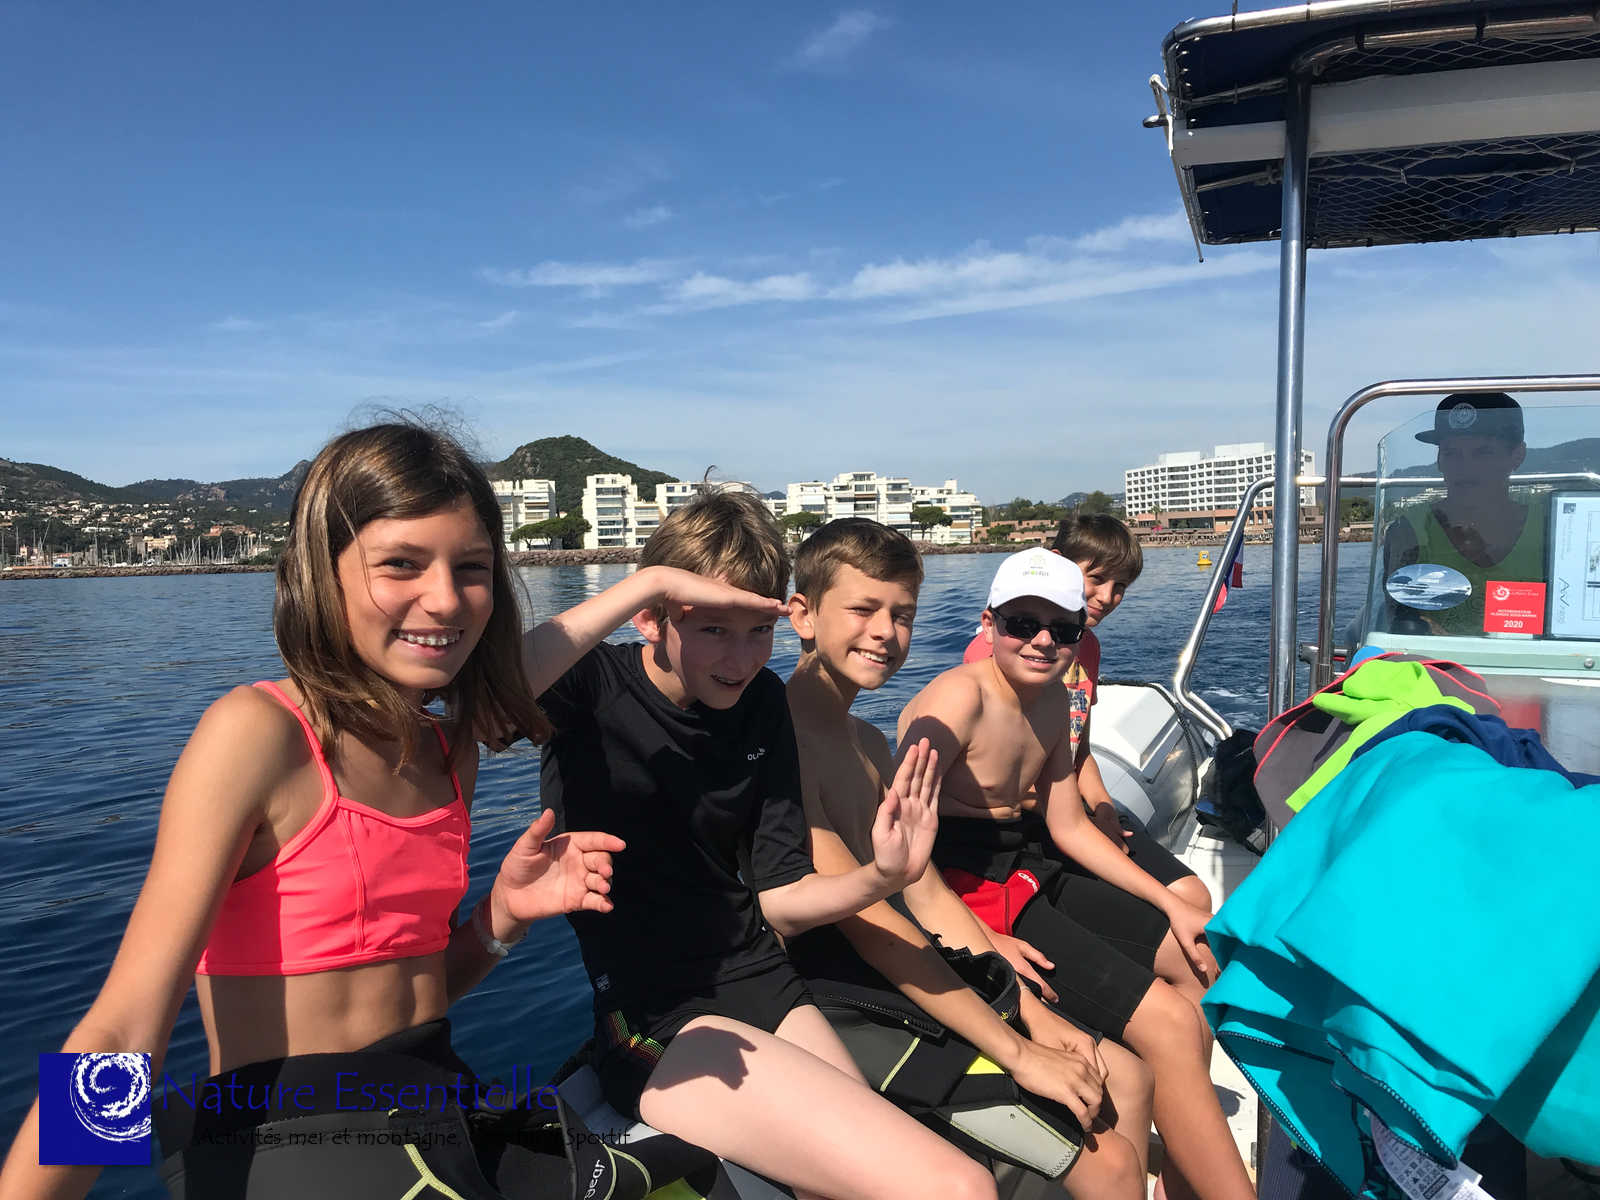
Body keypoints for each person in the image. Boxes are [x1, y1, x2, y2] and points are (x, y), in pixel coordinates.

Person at [0, 422, 782, 1200]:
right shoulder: (259, 735)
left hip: (431, 1101)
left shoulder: (446, 753)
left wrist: (502, 918)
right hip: (297, 1134)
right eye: (401, 564)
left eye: (472, 568)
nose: (444, 600)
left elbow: (413, 998)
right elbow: (123, 1031)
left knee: (695, 1181)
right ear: (322, 572)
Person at [535, 492, 998, 1200]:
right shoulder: (589, 687)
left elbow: (780, 895)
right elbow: (479, 690)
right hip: (652, 1012)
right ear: (652, 618)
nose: (743, 658)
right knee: (956, 1188)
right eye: (714, 628)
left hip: (758, 974)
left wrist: (884, 876)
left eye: (759, 630)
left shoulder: (762, 706)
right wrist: (646, 583)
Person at [783, 518, 1150, 1200]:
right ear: (802, 615)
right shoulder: (786, 746)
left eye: (901, 616)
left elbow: (919, 889)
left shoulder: (866, 741)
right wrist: (1018, 1046)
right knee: (1114, 1163)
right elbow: (870, 923)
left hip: (903, 960)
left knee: (1123, 1075)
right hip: (836, 990)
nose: (884, 633)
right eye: (863, 610)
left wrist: (1032, 1011)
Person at [903, 548, 1254, 1200]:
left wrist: (1170, 902)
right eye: (1022, 624)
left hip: (1029, 867)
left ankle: (1184, 1176)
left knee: (1198, 953)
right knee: (1170, 1023)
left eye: (1062, 629)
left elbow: (1066, 826)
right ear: (988, 623)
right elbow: (898, 846)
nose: (1042, 641)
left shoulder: (1054, 700)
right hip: (972, 889)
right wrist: (982, 942)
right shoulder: (956, 700)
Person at [963, 515, 1213, 914]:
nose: (1107, 596)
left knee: (1195, 895)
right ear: (1057, 563)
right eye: (1096, 579)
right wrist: (1081, 819)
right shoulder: (998, 652)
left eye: (1120, 587)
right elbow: (991, 775)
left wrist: (1103, 808)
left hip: (1071, 808)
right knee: (1165, 908)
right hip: (1021, 820)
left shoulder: (1087, 648)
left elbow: (1079, 749)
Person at [1381, 392, 1546, 635]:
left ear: (1517, 456)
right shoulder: (1409, 532)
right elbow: (1399, 623)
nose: (1465, 467)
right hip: (1434, 660)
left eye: (1483, 453)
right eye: (1451, 453)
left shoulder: (1551, 528)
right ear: (1439, 460)